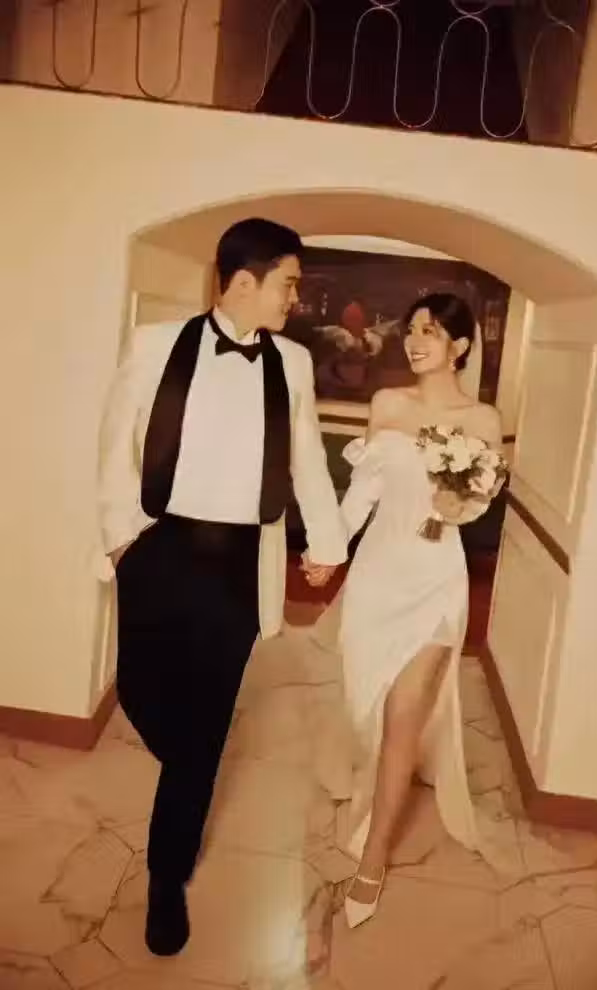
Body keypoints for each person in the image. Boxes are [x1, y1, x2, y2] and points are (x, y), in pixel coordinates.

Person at [97, 218, 347, 956]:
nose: (295, 298)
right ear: (243, 281)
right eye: (288, 283)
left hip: (241, 564)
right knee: (141, 693)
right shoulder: (154, 345)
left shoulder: (293, 363)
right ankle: (190, 766)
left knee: (205, 730)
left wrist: (327, 544)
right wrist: (121, 540)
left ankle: (166, 879)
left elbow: (306, 458)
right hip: (160, 548)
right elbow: (115, 445)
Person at [307, 292, 504, 928]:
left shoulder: (483, 419)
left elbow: (477, 505)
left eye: (431, 332)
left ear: (460, 346)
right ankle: (372, 780)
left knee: (402, 720)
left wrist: (457, 506)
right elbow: (362, 493)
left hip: (436, 582)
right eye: (413, 329)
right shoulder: (388, 404)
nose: (415, 341)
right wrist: (329, 550)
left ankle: (373, 863)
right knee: (364, 702)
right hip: (375, 579)